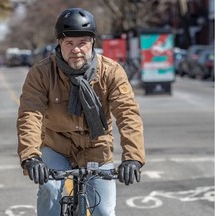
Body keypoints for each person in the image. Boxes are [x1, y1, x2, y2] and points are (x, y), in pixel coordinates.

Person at [17, 8, 145, 216]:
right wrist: (31, 157)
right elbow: (30, 115)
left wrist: (133, 158)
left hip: (96, 146)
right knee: (50, 190)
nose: (76, 50)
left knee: (103, 211)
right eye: (69, 43)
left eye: (82, 43)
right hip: (56, 145)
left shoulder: (111, 72)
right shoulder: (41, 73)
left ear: (92, 42)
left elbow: (128, 114)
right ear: (59, 43)